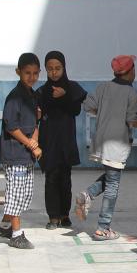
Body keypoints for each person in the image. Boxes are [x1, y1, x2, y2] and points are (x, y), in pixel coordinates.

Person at [74, 54, 137, 240]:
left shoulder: (103, 87)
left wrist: (104, 113)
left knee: (111, 177)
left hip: (100, 142)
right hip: (117, 144)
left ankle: (87, 194)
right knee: (113, 186)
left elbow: (88, 106)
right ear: (130, 71)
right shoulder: (132, 93)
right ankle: (103, 227)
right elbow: (132, 121)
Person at [0, 52, 42, 249]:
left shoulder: (32, 95)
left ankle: (4, 226)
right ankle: (16, 234)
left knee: (24, 193)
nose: (31, 77)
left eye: (35, 73)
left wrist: (35, 141)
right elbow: (11, 127)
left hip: (26, 155)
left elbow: (37, 121)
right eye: (27, 73)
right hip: (15, 154)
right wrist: (31, 144)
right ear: (18, 72)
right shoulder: (14, 97)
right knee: (16, 193)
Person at [36, 51, 87, 229]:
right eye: (50, 69)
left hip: (66, 141)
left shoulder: (72, 88)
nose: (54, 72)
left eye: (58, 68)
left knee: (65, 179)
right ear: (45, 70)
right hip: (49, 141)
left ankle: (64, 215)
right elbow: (38, 112)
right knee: (51, 178)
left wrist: (64, 96)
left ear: (64, 68)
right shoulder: (42, 91)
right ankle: (53, 217)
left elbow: (75, 110)